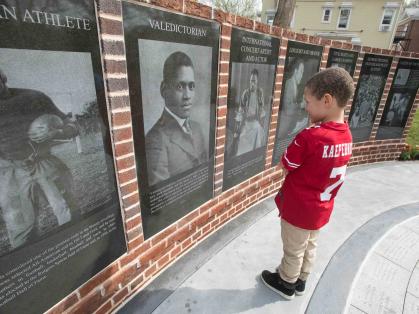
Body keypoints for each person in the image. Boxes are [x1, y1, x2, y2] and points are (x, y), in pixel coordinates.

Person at [261, 67, 354, 300]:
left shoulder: (310, 136)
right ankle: (302, 280)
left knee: (293, 249)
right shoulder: (346, 135)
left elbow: (286, 165)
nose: (306, 107)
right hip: (321, 209)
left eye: (308, 102)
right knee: (310, 245)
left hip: (300, 209)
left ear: (327, 100)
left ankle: (285, 283)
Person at [0, 68, 79, 250]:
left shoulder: (33, 97)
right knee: (21, 233)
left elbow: (73, 125)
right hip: (9, 172)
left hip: (43, 162)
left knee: (69, 214)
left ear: (3, 77)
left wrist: (57, 131)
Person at [145, 51, 207, 186]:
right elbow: (163, 196)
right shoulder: (155, 139)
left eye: (191, 86)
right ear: (164, 89)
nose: (187, 95)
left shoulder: (197, 128)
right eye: (180, 86)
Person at [232, 69, 266, 156]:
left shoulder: (260, 93)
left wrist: (261, 118)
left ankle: (254, 157)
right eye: (251, 81)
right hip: (246, 123)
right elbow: (240, 111)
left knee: (259, 132)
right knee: (242, 139)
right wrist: (237, 129)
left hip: (255, 123)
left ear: (257, 81)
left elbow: (262, 109)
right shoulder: (246, 93)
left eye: (254, 81)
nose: (252, 83)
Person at [277, 58, 306, 139]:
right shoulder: (289, 84)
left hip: (289, 125)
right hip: (284, 128)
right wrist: (301, 105)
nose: (302, 75)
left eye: (302, 73)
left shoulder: (295, 85)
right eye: (301, 72)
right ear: (295, 71)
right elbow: (288, 109)